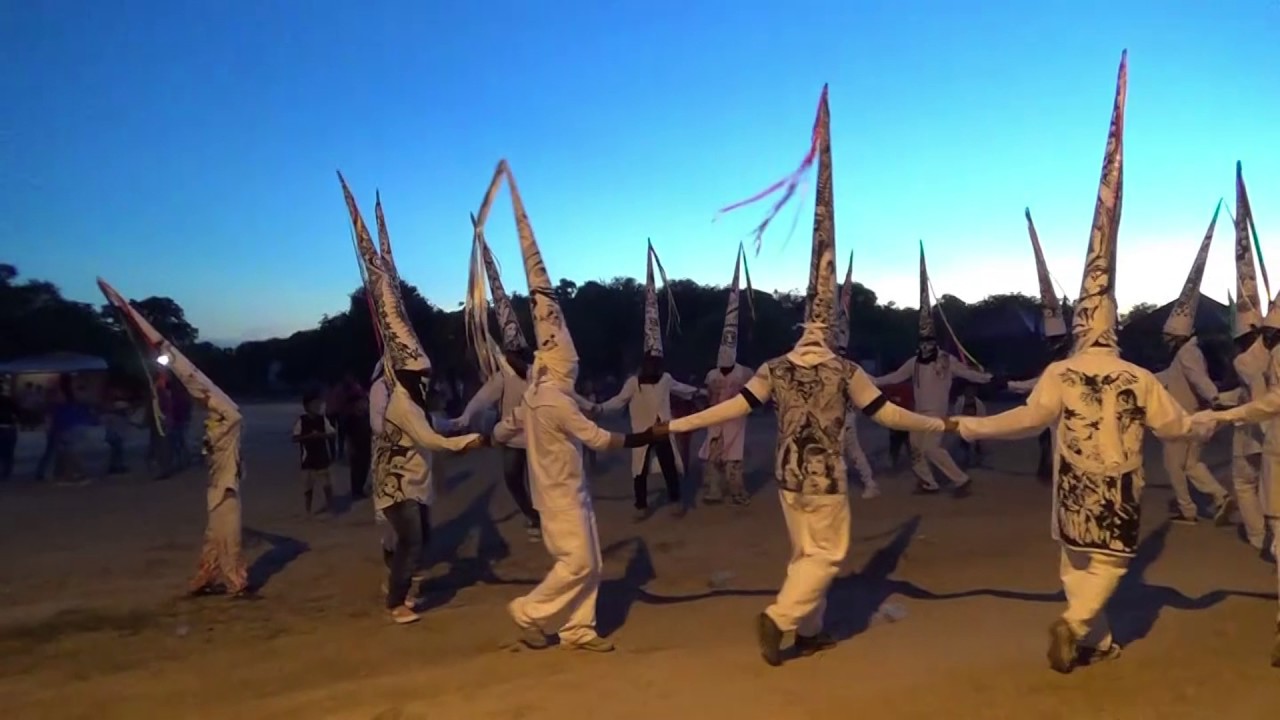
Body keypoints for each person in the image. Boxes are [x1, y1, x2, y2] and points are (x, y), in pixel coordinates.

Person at [656, 86, 949, 666]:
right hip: (823, 478)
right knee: (830, 555)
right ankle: (781, 616)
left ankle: (808, 631)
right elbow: (884, 414)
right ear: (832, 327)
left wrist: (680, 422)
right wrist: (939, 422)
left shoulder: (774, 366)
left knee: (804, 556)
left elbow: (734, 407)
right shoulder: (843, 368)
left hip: (789, 477)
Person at [954, 54, 1207, 674]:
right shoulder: (1139, 376)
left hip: (1072, 485)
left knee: (1076, 558)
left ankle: (1094, 638)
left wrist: (971, 427)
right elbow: (1177, 427)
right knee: (1116, 559)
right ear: (1114, 326)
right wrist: (1212, 422)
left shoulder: (1060, 375)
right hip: (1117, 483)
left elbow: (1025, 421)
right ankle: (1074, 625)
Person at [479, 159, 651, 653]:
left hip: (566, 490)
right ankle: (530, 611)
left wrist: (484, 437)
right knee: (576, 563)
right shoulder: (550, 398)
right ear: (559, 365)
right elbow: (598, 439)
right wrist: (645, 437)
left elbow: (508, 429)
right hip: (558, 498)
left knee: (592, 564)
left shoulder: (539, 394)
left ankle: (578, 629)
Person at [341, 180, 482, 624]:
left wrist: (456, 425)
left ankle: (400, 587)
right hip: (395, 483)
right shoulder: (396, 398)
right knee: (409, 539)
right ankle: (394, 600)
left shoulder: (412, 399)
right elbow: (425, 436)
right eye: (419, 376)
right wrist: (467, 441)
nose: (426, 381)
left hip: (413, 480)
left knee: (418, 536)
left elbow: (432, 427)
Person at [100, 278, 251, 598]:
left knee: (215, 539)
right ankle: (234, 581)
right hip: (224, 494)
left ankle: (205, 579)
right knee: (227, 539)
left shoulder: (215, 434)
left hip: (220, 492)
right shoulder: (224, 430)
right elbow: (227, 408)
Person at [874, 243, 993, 496]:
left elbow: (967, 373)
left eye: (929, 342)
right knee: (915, 447)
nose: (925, 346)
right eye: (922, 342)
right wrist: (870, 380)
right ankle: (929, 482)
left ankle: (961, 480)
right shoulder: (914, 362)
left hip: (937, 412)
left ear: (935, 341)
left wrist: (988, 378)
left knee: (931, 448)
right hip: (919, 413)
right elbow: (895, 377)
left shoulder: (946, 360)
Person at [455, 217, 546, 540]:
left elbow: (557, 391)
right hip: (510, 436)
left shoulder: (538, 370)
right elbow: (483, 397)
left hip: (536, 435)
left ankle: (542, 519)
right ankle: (531, 515)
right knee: (511, 478)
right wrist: (466, 415)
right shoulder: (504, 374)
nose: (511, 357)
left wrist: (589, 404)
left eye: (515, 352)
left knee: (542, 480)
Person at [596, 242, 702, 519]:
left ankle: (677, 500)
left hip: (661, 429)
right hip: (641, 431)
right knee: (639, 470)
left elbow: (683, 388)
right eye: (651, 362)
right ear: (645, 362)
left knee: (668, 465)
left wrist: (700, 391)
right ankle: (641, 506)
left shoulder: (665, 378)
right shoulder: (634, 383)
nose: (655, 365)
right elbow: (617, 402)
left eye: (658, 362)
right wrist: (598, 409)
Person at [1158, 206, 1233, 525]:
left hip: (1182, 420)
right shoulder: (1184, 353)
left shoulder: (1187, 353)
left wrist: (1214, 397)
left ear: (1176, 334)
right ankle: (1219, 496)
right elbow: (1165, 377)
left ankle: (1188, 510)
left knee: (1174, 466)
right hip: (1193, 419)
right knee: (1191, 465)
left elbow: (1196, 377)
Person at [1007, 207, 1072, 483]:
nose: (1050, 343)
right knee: (1048, 438)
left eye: (1053, 339)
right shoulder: (1052, 357)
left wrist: (1010, 385)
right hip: (1052, 410)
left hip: (1072, 412)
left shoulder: (1069, 358)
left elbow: (1039, 383)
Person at [698, 246, 754, 506]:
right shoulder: (711, 373)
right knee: (712, 456)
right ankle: (713, 491)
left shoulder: (744, 372)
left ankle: (737, 492)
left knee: (734, 458)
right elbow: (707, 393)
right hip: (715, 419)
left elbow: (754, 391)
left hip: (735, 418)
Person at [833, 252, 879, 499]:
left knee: (850, 451)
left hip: (848, 416)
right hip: (833, 416)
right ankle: (854, 483)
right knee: (838, 452)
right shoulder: (829, 366)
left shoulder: (851, 367)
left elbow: (870, 383)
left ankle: (869, 483)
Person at [293, 390, 336, 516]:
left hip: (322, 456)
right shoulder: (302, 420)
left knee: (327, 484)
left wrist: (321, 435)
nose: (317, 406)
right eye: (314, 404)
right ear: (306, 406)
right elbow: (295, 438)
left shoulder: (323, 420)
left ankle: (330, 507)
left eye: (318, 404)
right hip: (307, 458)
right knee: (308, 486)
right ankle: (308, 510)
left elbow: (332, 433)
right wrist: (309, 436)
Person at [951, 382, 986, 468]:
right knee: (964, 444)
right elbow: (956, 411)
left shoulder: (978, 403)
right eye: (968, 390)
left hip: (975, 425)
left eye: (972, 390)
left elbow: (982, 414)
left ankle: (976, 460)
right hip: (964, 425)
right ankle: (965, 462)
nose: (970, 392)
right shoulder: (960, 401)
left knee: (977, 445)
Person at [346, 384, 372, 500]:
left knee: (364, 468)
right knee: (356, 469)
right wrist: (350, 447)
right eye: (361, 403)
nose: (363, 405)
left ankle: (360, 489)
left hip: (367, 445)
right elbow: (348, 434)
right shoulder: (351, 417)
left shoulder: (367, 416)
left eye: (365, 403)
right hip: (356, 446)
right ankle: (355, 490)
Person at [325, 381, 348, 462]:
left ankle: (337, 453)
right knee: (334, 435)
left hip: (337, 413)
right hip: (333, 413)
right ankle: (335, 454)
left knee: (339, 435)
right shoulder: (336, 389)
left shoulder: (337, 389)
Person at [0, 376, 18, 481]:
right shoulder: (9, 400)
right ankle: (6, 472)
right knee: (9, 452)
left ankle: (4, 471)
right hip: (9, 427)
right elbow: (18, 412)